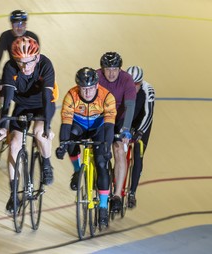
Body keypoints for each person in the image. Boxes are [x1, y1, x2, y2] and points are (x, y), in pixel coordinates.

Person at [0, 36, 56, 214]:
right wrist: (3, 125)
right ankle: (14, 193)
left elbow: (46, 96)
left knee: (39, 132)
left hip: (42, 105)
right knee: (14, 144)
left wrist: (47, 126)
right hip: (21, 106)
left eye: (29, 62)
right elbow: (7, 100)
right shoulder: (10, 68)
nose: (25, 67)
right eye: (21, 63)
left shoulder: (46, 64)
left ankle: (46, 164)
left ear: (37, 57)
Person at [55, 67, 116, 226]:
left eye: (90, 89)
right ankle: (77, 170)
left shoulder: (107, 97)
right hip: (79, 126)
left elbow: (110, 126)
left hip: (99, 129)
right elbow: (66, 124)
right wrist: (63, 144)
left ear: (96, 86)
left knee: (101, 163)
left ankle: (103, 206)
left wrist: (107, 147)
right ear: (78, 87)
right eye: (83, 89)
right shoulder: (71, 95)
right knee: (70, 139)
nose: (87, 93)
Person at [97, 52, 137, 212]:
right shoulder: (97, 77)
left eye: (115, 69)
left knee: (119, 150)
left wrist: (126, 129)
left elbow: (130, 107)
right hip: (101, 116)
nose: (111, 73)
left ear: (120, 69)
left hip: (119, 118)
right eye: (108, 69)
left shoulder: (127, 80)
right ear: (102, 70)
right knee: (98, 148)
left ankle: (117, 196)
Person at [0, 10, 39, 102]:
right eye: (16, 24)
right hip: (12, 71)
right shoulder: (5, 36)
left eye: (22, 24)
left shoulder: (32, 37)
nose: (19, 27)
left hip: (28, 72)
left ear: (26, 24)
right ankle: (3, 111)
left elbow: (36, 61)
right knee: (4, 99)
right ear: (11, 25)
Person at [126, 66, 155, 208]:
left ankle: (132, 193)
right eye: (131, 84)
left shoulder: (148, 89)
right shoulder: (123, 85)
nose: (133, 87)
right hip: (127, 121)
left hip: (142, 122)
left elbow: (148, 114)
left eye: (136, 84)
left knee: (138, 151)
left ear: (141, 82)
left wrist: (140, 132)